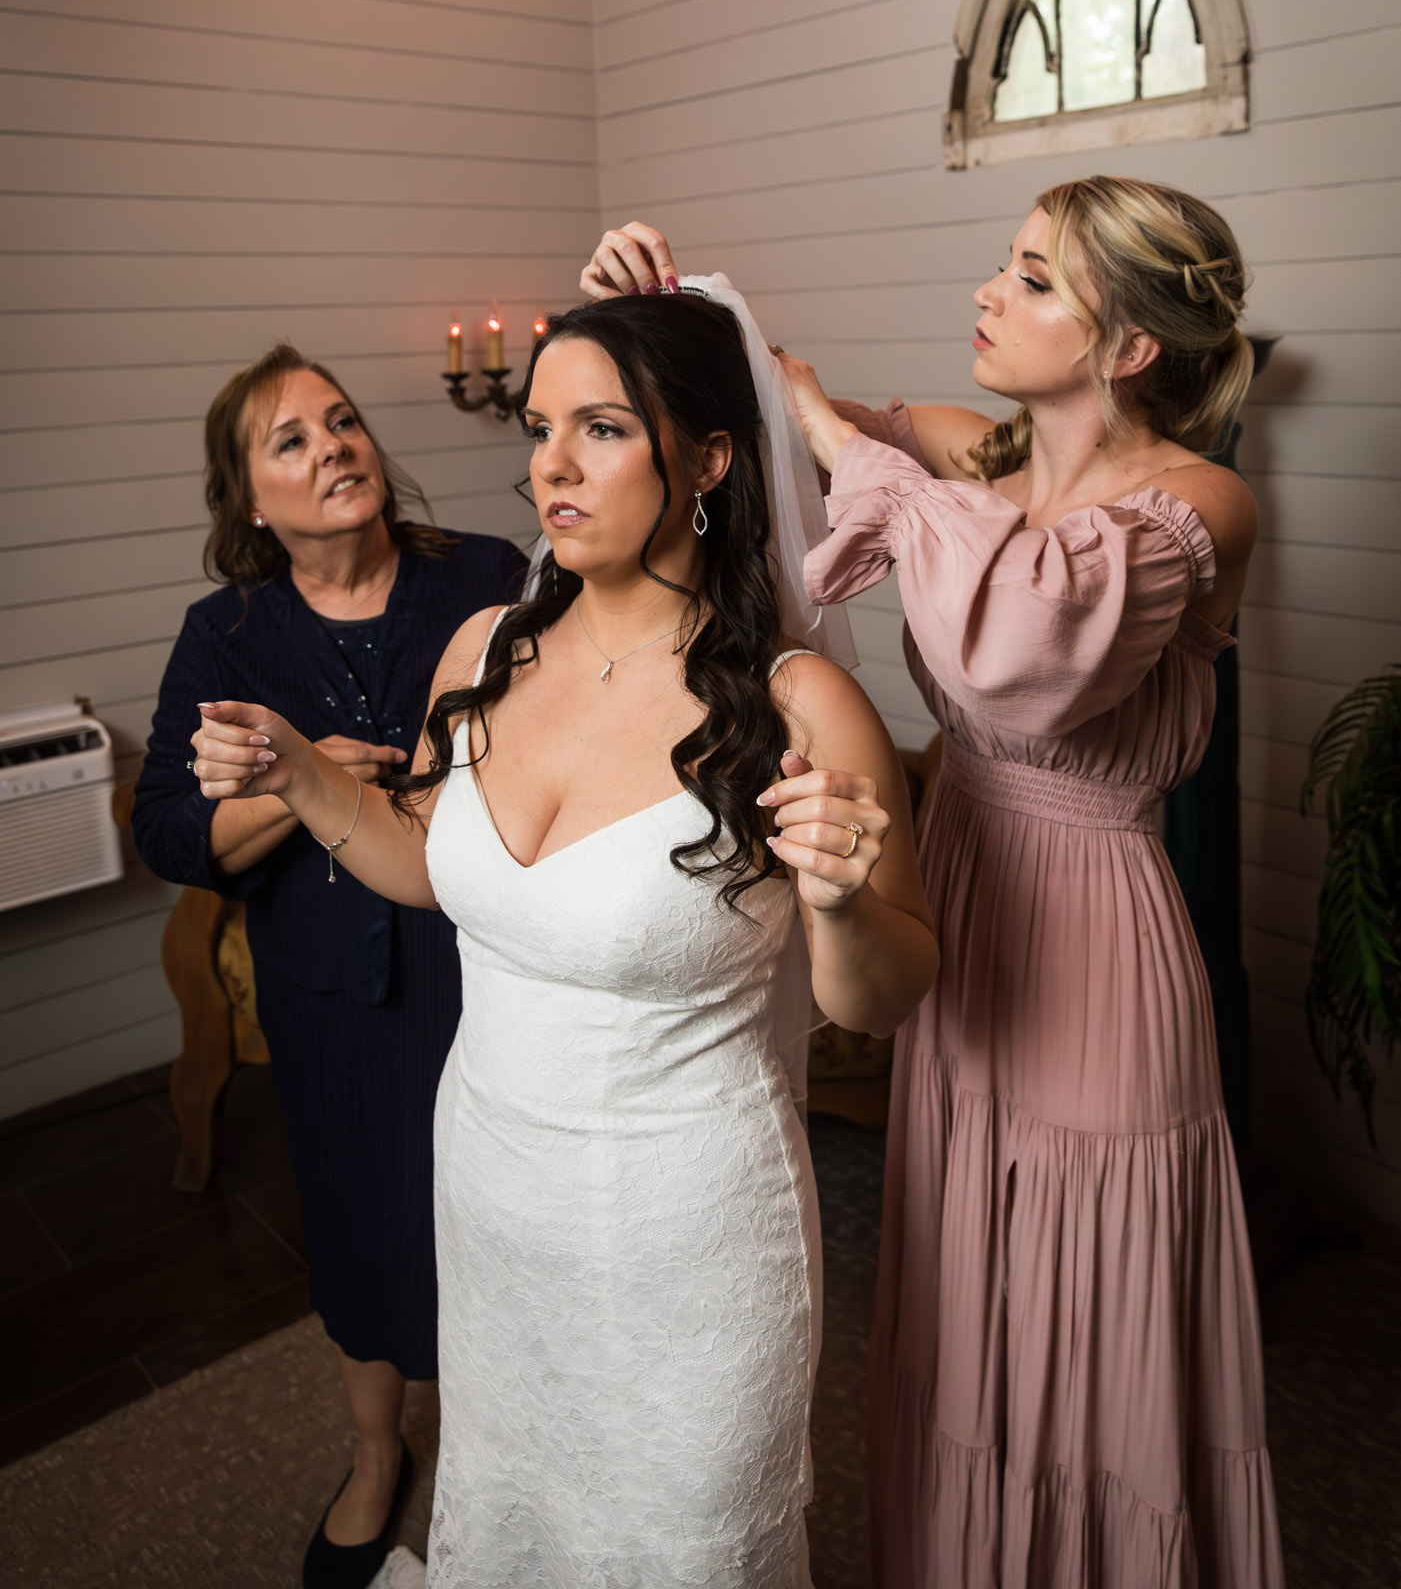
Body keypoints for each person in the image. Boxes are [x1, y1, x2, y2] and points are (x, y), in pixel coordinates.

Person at [580, 188, 1285, 1588]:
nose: (989, 291)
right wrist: (650, 303)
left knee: (1092, 1289)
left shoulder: (1200, 503)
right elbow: (764, 415)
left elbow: (1019, 643)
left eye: (1032, 279)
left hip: (1096, 944)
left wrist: (865, 456)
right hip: (955, 898)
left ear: (1131, 345)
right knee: (971, 1287)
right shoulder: (974, 452)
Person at [185, 287, 939, 1588]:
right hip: (491, 1184)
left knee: (684, 1542)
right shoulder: (482, 651)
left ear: (707, 459)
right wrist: (301, 772)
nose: (550, 463)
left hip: (687, 1233)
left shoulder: (799, 703)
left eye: (601, 427)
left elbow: (879, 1000)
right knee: (517, 1502)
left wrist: (837, 901)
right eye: (541, 427)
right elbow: (429, 866)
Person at [132, 345, 524, 1589]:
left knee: (505, 1227)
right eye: (290, 440)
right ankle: (373, 1455)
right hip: (330, 993)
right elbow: (170, 830)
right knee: (360, 1228)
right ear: (249, 500)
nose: (334, 447)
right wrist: (311, 791)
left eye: (343, 421)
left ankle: (508, 1457)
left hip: (493, 966)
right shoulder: (227, 633)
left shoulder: (484, 574)